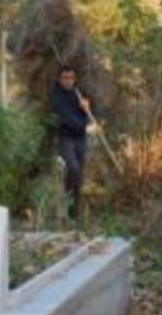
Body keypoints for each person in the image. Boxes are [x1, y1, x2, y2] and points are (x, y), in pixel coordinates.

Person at [50, 65, 91, 219]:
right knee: (72, 169)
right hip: (65, 138)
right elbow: (66, 118)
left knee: (79, 173)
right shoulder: (56, 96)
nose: (69, 81)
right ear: (59, 79)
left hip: (81, 138)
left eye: (71, 78)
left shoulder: (77, 93)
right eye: (65, 78)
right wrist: (86, 127)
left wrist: (85, 108)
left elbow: (85, 115)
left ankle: (75, 211)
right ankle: (67, 205)